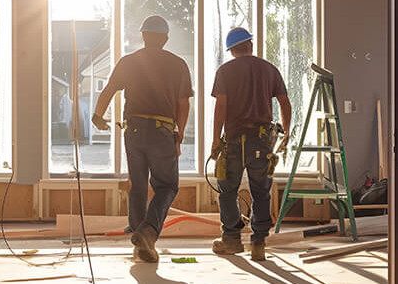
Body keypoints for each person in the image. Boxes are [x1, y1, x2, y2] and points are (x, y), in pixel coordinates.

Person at [91, 15, 194, 263]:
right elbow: (183, 104)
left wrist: (97, 116)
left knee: (137, 185)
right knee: (167, 186)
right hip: (162, 130)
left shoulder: (129, 61)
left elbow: (108, 90)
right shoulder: (178, 64)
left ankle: (140, 241)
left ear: (143, 36)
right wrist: (178, 135)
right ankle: (147, 233)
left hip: (134, 129)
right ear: (165, 38)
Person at [208, 27, 291, 262]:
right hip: (262, 141)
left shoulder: (225, 71)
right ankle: (258, 243)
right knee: (261, 191)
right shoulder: (269, 69)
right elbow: (285, 103)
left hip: (234, 140)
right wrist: (285, 133)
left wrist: (216, 139)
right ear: (250, 45)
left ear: (232, 50)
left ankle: (232, 240)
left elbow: (221, 107)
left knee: (227, 190)